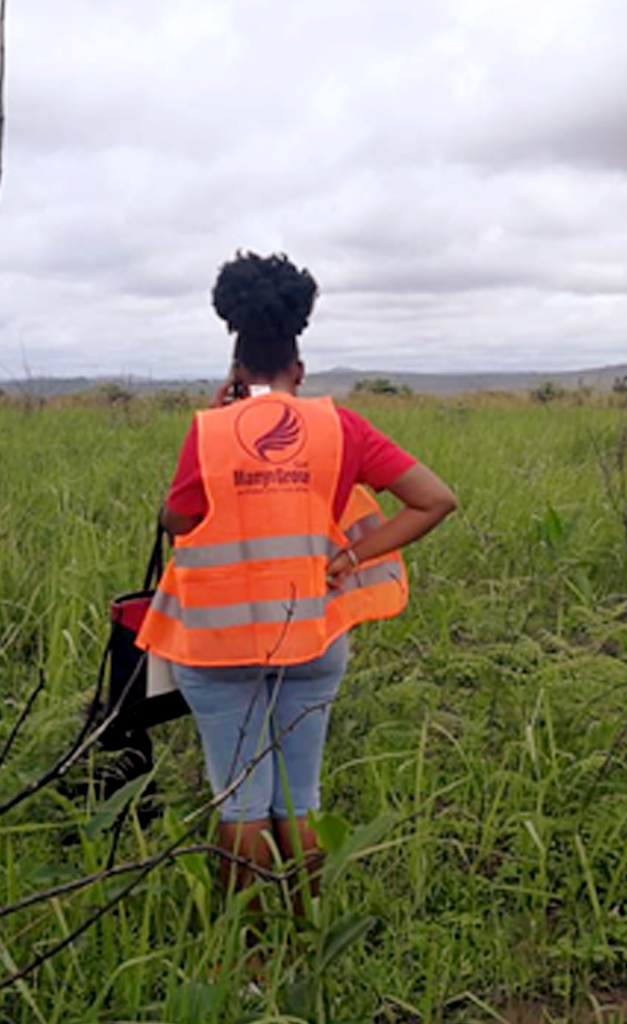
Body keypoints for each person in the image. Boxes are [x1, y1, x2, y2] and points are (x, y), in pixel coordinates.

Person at [137, 250, 456, 913]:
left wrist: (218, 418)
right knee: (298, 798)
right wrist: (355, 560)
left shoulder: (211, 431)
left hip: (216, 646)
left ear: (237, 368)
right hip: (312, 635)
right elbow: (435, 500)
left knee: (241, 804)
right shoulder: (343, 426)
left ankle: (244, 964)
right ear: (299, 369)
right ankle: (305, 938)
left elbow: (177, 519)